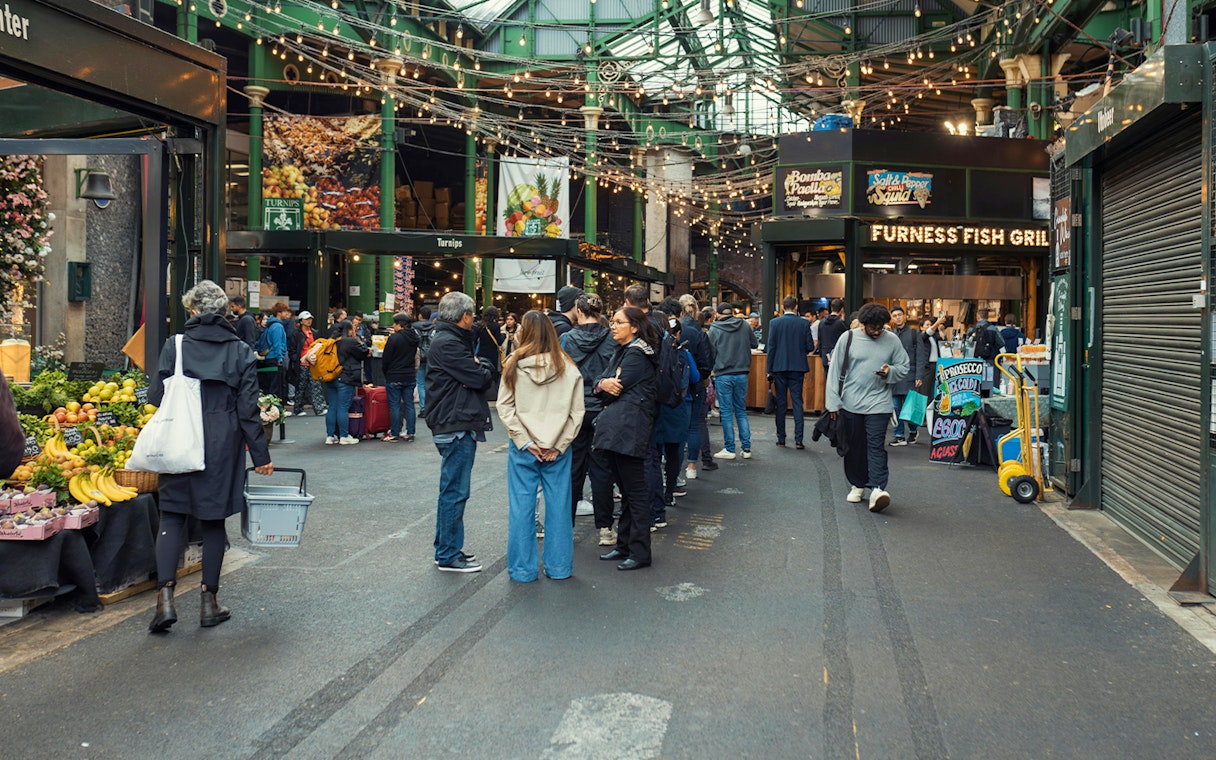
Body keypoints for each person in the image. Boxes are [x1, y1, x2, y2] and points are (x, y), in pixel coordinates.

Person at [148, 280, 273, 633]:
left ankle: (165, 599)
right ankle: (208, 602)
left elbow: (156, 396)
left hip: (178, 438)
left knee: (171, 516)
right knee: (213, 520)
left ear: (191, 311)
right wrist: (260, 455)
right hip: (221, 441)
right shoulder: (240, 351)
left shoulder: (176, 345)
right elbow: (249, 410)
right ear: (225, 312)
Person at [497, 312, 584, 582]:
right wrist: (559, 444)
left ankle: (523, 570)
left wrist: (525, 441)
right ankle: (559, 568)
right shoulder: (568, 366)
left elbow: (505, 407)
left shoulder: (514, 363)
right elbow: (576, 412)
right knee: (559, 506)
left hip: (524, 447)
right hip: (558, 447)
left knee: (521, 506)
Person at [426, 292, 494, 572]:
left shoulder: (446, 339)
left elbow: (474, 377)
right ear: (465, 316)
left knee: (451, 490)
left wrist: (479, 368)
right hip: (455, 422)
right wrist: (485, 366)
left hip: (453, 420)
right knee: (455, 491)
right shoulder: (449, 343)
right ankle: (447, 555)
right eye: (472, 315)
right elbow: (479, 378)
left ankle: (446, 548)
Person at [825, 303, 910, 513]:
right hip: (851, 403)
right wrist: (832, 402)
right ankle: (857, 484)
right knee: (855, 447)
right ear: (863, 324)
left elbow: (904, 366)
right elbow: (834, 370)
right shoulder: (848, 338)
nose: (878, 331)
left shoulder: (891, 340)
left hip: (879, 403)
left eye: (881, 327)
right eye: (874, 327)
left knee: (876, 445)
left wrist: (889, 371)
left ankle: (878, 488)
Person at [594, 306, 660, 571]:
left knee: (635, 491)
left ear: (634, 327)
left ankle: (640, 552)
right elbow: (600, 382)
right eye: (612, 321)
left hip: (630, 429)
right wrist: (602, 383)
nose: (613, 325)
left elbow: (613, 390)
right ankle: (624, 546)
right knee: (627, 489)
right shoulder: (624, 351)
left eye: (619, 322)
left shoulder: (636, 355)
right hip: (622, 428)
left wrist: (604, 385)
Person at [561, 293, 619, 545]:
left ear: (579, 311)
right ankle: (605, 529)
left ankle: (565, 527)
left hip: (574, 410)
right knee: (602, 470)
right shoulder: (612, 339)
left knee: (572, 470)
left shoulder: (566, 339)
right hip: (602, 409)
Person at [652, 315, 698, 525]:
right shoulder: (682, 353)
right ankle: (670, 491)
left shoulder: (651, 352)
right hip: (678, 406)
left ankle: (656, 499)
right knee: (674, 451)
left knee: (653, 455)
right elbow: (695, 377)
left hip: (656, 408)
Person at [708, 302, 758, 460]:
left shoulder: (714, 329)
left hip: (723, 374)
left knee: (727, 412)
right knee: (741, 411)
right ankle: (746, 448)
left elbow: (710, 352)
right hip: (742, 373)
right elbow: (754, 344)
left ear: (718, 314)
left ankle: (730, 448)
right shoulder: (744, 325)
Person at [766, 295, 815, 449]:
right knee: (797, 403)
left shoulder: (774, 323)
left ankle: (781, 438)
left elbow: (771, 347)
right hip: (797, 367)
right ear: (795, 307)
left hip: (779, 367)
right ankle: (799, 440)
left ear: (782, 307)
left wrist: (769, 370)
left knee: (781, 404)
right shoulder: (804, 323)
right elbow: (809, 346)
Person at [678, 294, 713, 482]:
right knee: (695, 425)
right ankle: (691, 466)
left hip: (677, 385)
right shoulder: (699, 332)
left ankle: (672, 468)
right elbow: (707, 361)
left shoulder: (675, 329)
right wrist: (702, 377)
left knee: (677, 424)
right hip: (697, 384)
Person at [889, 305, 933, 446]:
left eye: (899, 315)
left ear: (905, 316)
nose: (897, 317)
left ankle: (913, 431)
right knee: (897, 406)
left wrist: (919, 375)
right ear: (892, 318)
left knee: (911, 407)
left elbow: (921, 356)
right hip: (895, 375)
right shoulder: (891, 336)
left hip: (911, 373)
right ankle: (899, 435)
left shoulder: (914, 334)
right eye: (895, 315)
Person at [324, 320, 369, 445]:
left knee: (332, 406)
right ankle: (344, 436)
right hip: (346, 377)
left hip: (331, 376)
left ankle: (330, 435)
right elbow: (363, 352)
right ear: (349, 330)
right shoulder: (349, 341)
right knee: (343, 407)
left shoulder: (331, 341)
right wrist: (357, 339)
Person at [381, 311, 420, 442]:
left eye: (395, 323)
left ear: (399, 324)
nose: (393, 326)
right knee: (409, 405)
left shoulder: (394, 338)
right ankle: (411, 432)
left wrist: (385, 371)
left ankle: (395, 432)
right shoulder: (414, 338)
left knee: (395, 406)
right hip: (409, 375)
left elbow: (386, 358)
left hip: (394, 375)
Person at [291, 311, 327, 417]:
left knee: (316, 385)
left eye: (310, 319)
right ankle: (298, 408)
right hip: (301, 363)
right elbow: (292, 349)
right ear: (301, 321)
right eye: (306, 319)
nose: (309, 321)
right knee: (300, 386)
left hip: (313, 363)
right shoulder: (296, 334)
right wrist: (296, 360)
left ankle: (319, 408)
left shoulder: (315, 333)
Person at [256, 302, 291, 396]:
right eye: (285, 311)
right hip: (275, 359)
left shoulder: (272, 325)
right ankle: (276, 409)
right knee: (276, 387)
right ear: (279, 313)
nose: (287, 314)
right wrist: (280, 359)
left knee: (271, 386)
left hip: (270, 358)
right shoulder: (277, 326)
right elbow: (277, 344)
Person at [413, 306, 434, 417]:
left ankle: (423, 408)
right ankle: (431, 408)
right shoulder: (435, 327)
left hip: (419, 357)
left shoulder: (414, 327)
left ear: (420, 315)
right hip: (431, 358)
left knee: (420, 383)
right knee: (431, 383)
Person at [817, 298, 848, 370]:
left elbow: (820, 341)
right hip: (838, 356)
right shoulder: (841, 324)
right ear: (842, 309)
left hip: (825, 356)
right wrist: (843, 320)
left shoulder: (821, 322)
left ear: (831, 308)